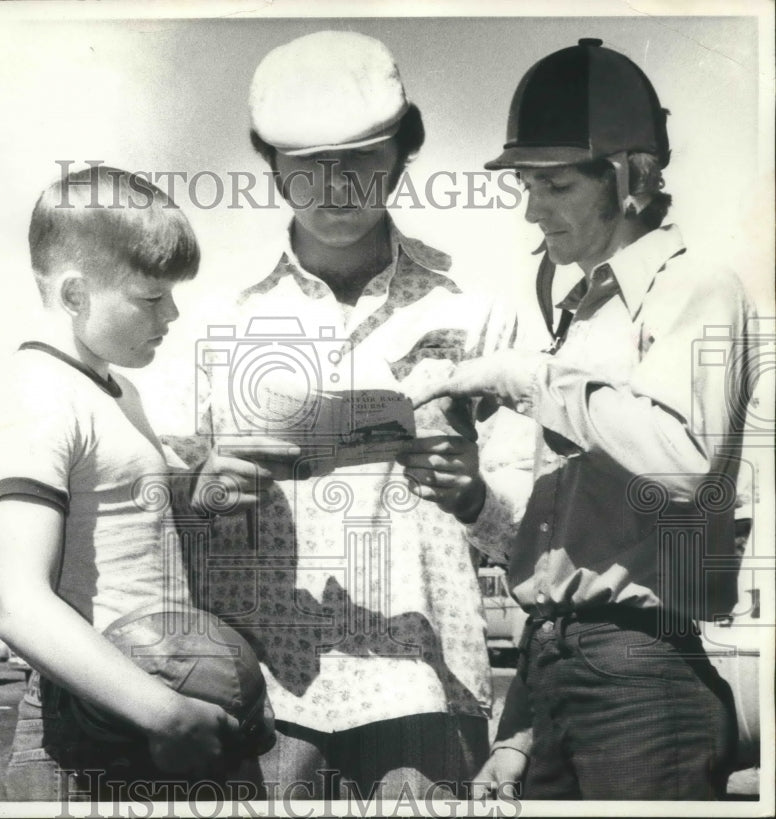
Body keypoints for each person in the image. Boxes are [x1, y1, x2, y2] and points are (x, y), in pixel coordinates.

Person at [410, 38, 756, 800]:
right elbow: (570, 555)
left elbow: (684, 463)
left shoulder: (696, 287)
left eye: (556, 184)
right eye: (527, 184)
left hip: (645, 680)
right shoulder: (582, 315)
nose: (532, 210)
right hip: (554, 672)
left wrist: (532, 378)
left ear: (631, 177)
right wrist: (524, 729)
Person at [186, 30, 519, 800]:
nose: (335, 188)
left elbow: (534, 528)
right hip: (264, 698)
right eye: (307, 167)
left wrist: (475, 495)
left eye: (361, 160)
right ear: (268, 164)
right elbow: (158, 515)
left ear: (404, 151)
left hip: (428, 692)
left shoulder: (476, 309)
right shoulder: (214, 321)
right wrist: (201, 493)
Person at [0, 166, 282, 802]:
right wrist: (168, 714)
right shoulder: (37, 398)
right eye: (150, 297)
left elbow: (118, 531)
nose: (172, 313)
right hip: (96, 728)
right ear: (77, 294)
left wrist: (192, 490)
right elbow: (20, 607)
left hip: (162, 701)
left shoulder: (114, 390)